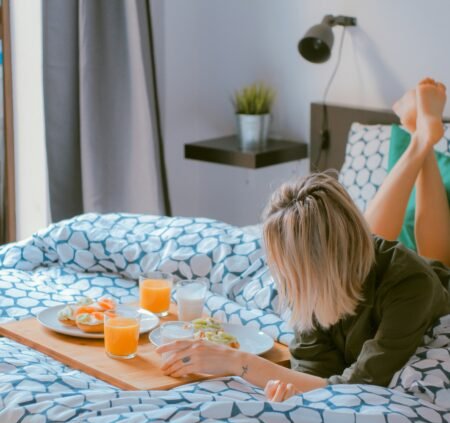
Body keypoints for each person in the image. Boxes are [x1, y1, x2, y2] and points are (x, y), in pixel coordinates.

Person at [157, 78, 450, 402]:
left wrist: (237, 362)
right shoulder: (313, 286)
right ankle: (421, 140)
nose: (281, 277)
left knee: (433, 260)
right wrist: (295, 389)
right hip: (356, 261)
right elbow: (314, 372)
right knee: (368, 241)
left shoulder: (411, 285)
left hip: (432, 290)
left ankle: (422, 140)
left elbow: (362, 386)